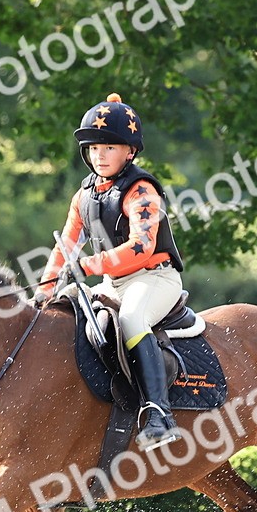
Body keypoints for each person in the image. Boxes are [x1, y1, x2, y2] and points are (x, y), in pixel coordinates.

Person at [34, 93, 186, 452]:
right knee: (63, 313)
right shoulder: (83, 195)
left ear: (130, 152)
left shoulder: (142, 190)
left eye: (109, 147)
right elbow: (66, 245)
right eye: (94, 147)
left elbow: (140, 247)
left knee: (132, 319)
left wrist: (86, 266)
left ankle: (159, 413)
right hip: (112, 282)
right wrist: (46, 286)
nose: (99, 155)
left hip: (153, 278)